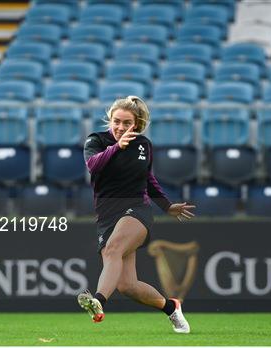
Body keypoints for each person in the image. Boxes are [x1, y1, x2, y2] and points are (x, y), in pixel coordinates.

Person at [78, 96, 196, 334]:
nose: (120, 127)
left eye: (126, 123)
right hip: (107, 215)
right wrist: (116, 147)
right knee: (127, 285)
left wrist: (165, 206)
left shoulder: (143, 145)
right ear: (110, 120)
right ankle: (171, 307)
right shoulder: (96, 140)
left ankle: (98, 301)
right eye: (116, 121)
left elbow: (148, 179)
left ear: (137, 124)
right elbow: (93, 165)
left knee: (113, 250)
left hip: (136, 209)